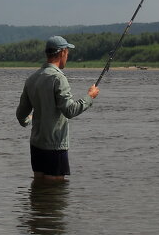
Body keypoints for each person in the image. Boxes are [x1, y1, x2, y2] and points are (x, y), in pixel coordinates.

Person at [16, 36, 99, 181]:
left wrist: (29, 120)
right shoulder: (58, 79)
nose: (67, 56)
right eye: (67, 53)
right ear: (62, 53)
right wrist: (89, 97)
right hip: (55, 147)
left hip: (36, 146)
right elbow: (70, 110)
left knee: (39, 190)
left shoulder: (32, 79)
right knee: (56, 194)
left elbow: (21, 115)